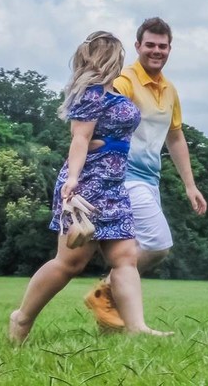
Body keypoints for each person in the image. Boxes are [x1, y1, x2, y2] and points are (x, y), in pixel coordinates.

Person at [9, 31, 170, 343]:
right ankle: (22, 317)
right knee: (70, 263)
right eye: (118, 54)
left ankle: (137, 327)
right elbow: (80, 140)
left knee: (125, 257)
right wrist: (72, 181)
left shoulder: (111, 93)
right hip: (89, 186)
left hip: (115, 184)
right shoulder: (90, 95)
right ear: (110, 58)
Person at [83, 17, 206, 332]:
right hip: (123, 177)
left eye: (162, 46)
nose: (156, 51)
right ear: (138, 46)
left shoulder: (169, 90)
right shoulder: (125, 82)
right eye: (149, 44)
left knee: (130, 250)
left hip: (150, 180)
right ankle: (107, 293)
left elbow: (175, 137)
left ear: (169, 49)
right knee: (157, 243)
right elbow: (99, 116)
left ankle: (108, 301)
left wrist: (190, 185)